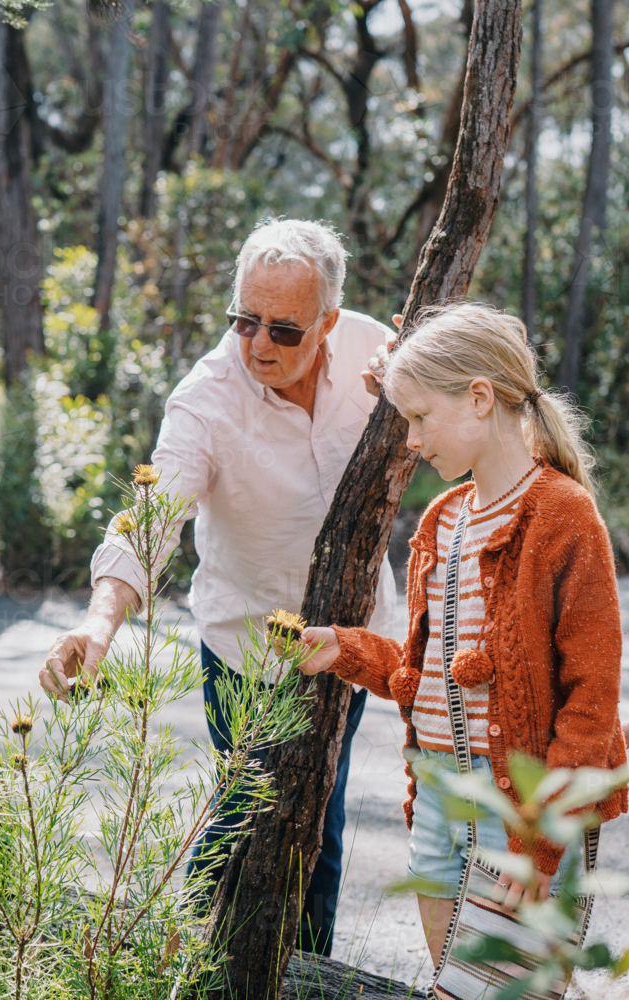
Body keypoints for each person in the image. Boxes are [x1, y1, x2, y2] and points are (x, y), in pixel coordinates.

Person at [39, 218, 397, 955]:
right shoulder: (206, 398)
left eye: (284, 330)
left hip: (355, 642)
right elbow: (149, 518)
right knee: (244, 819)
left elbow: (466, 395)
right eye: (244, 320)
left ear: (328, 321)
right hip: (248, 652)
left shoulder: (373, 348)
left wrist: (415, 379)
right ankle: (185, 965)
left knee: (317, 827)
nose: (259, 344)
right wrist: (99, 625)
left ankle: (303, 974)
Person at [296, 302, 628, 967]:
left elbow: (590, 704)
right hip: (439, 802)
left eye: (419, 418)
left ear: (479, 397)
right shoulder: (443, 519)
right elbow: (433, 674)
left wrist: (539, 841)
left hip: (520, 810)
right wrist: (348, 649)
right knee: (456, 986)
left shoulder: (561, 515)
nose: (411, 440)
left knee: (501, 987)